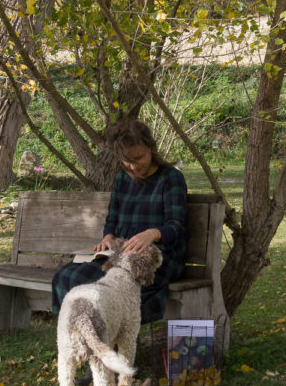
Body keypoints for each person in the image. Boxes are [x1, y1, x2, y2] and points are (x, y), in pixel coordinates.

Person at [51, 119, 187, 329]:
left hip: (157, 255)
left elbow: (177, 226)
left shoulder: (170, 178)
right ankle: (79, 337)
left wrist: (152, 233)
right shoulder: (122, 178)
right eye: (127, 161)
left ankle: (106, 340)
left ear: (151, 148)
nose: (134, 166)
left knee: (110, 286)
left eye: (138, 158)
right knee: (67, 277)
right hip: (118, 251)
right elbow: (112, 219)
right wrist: (107, 238)